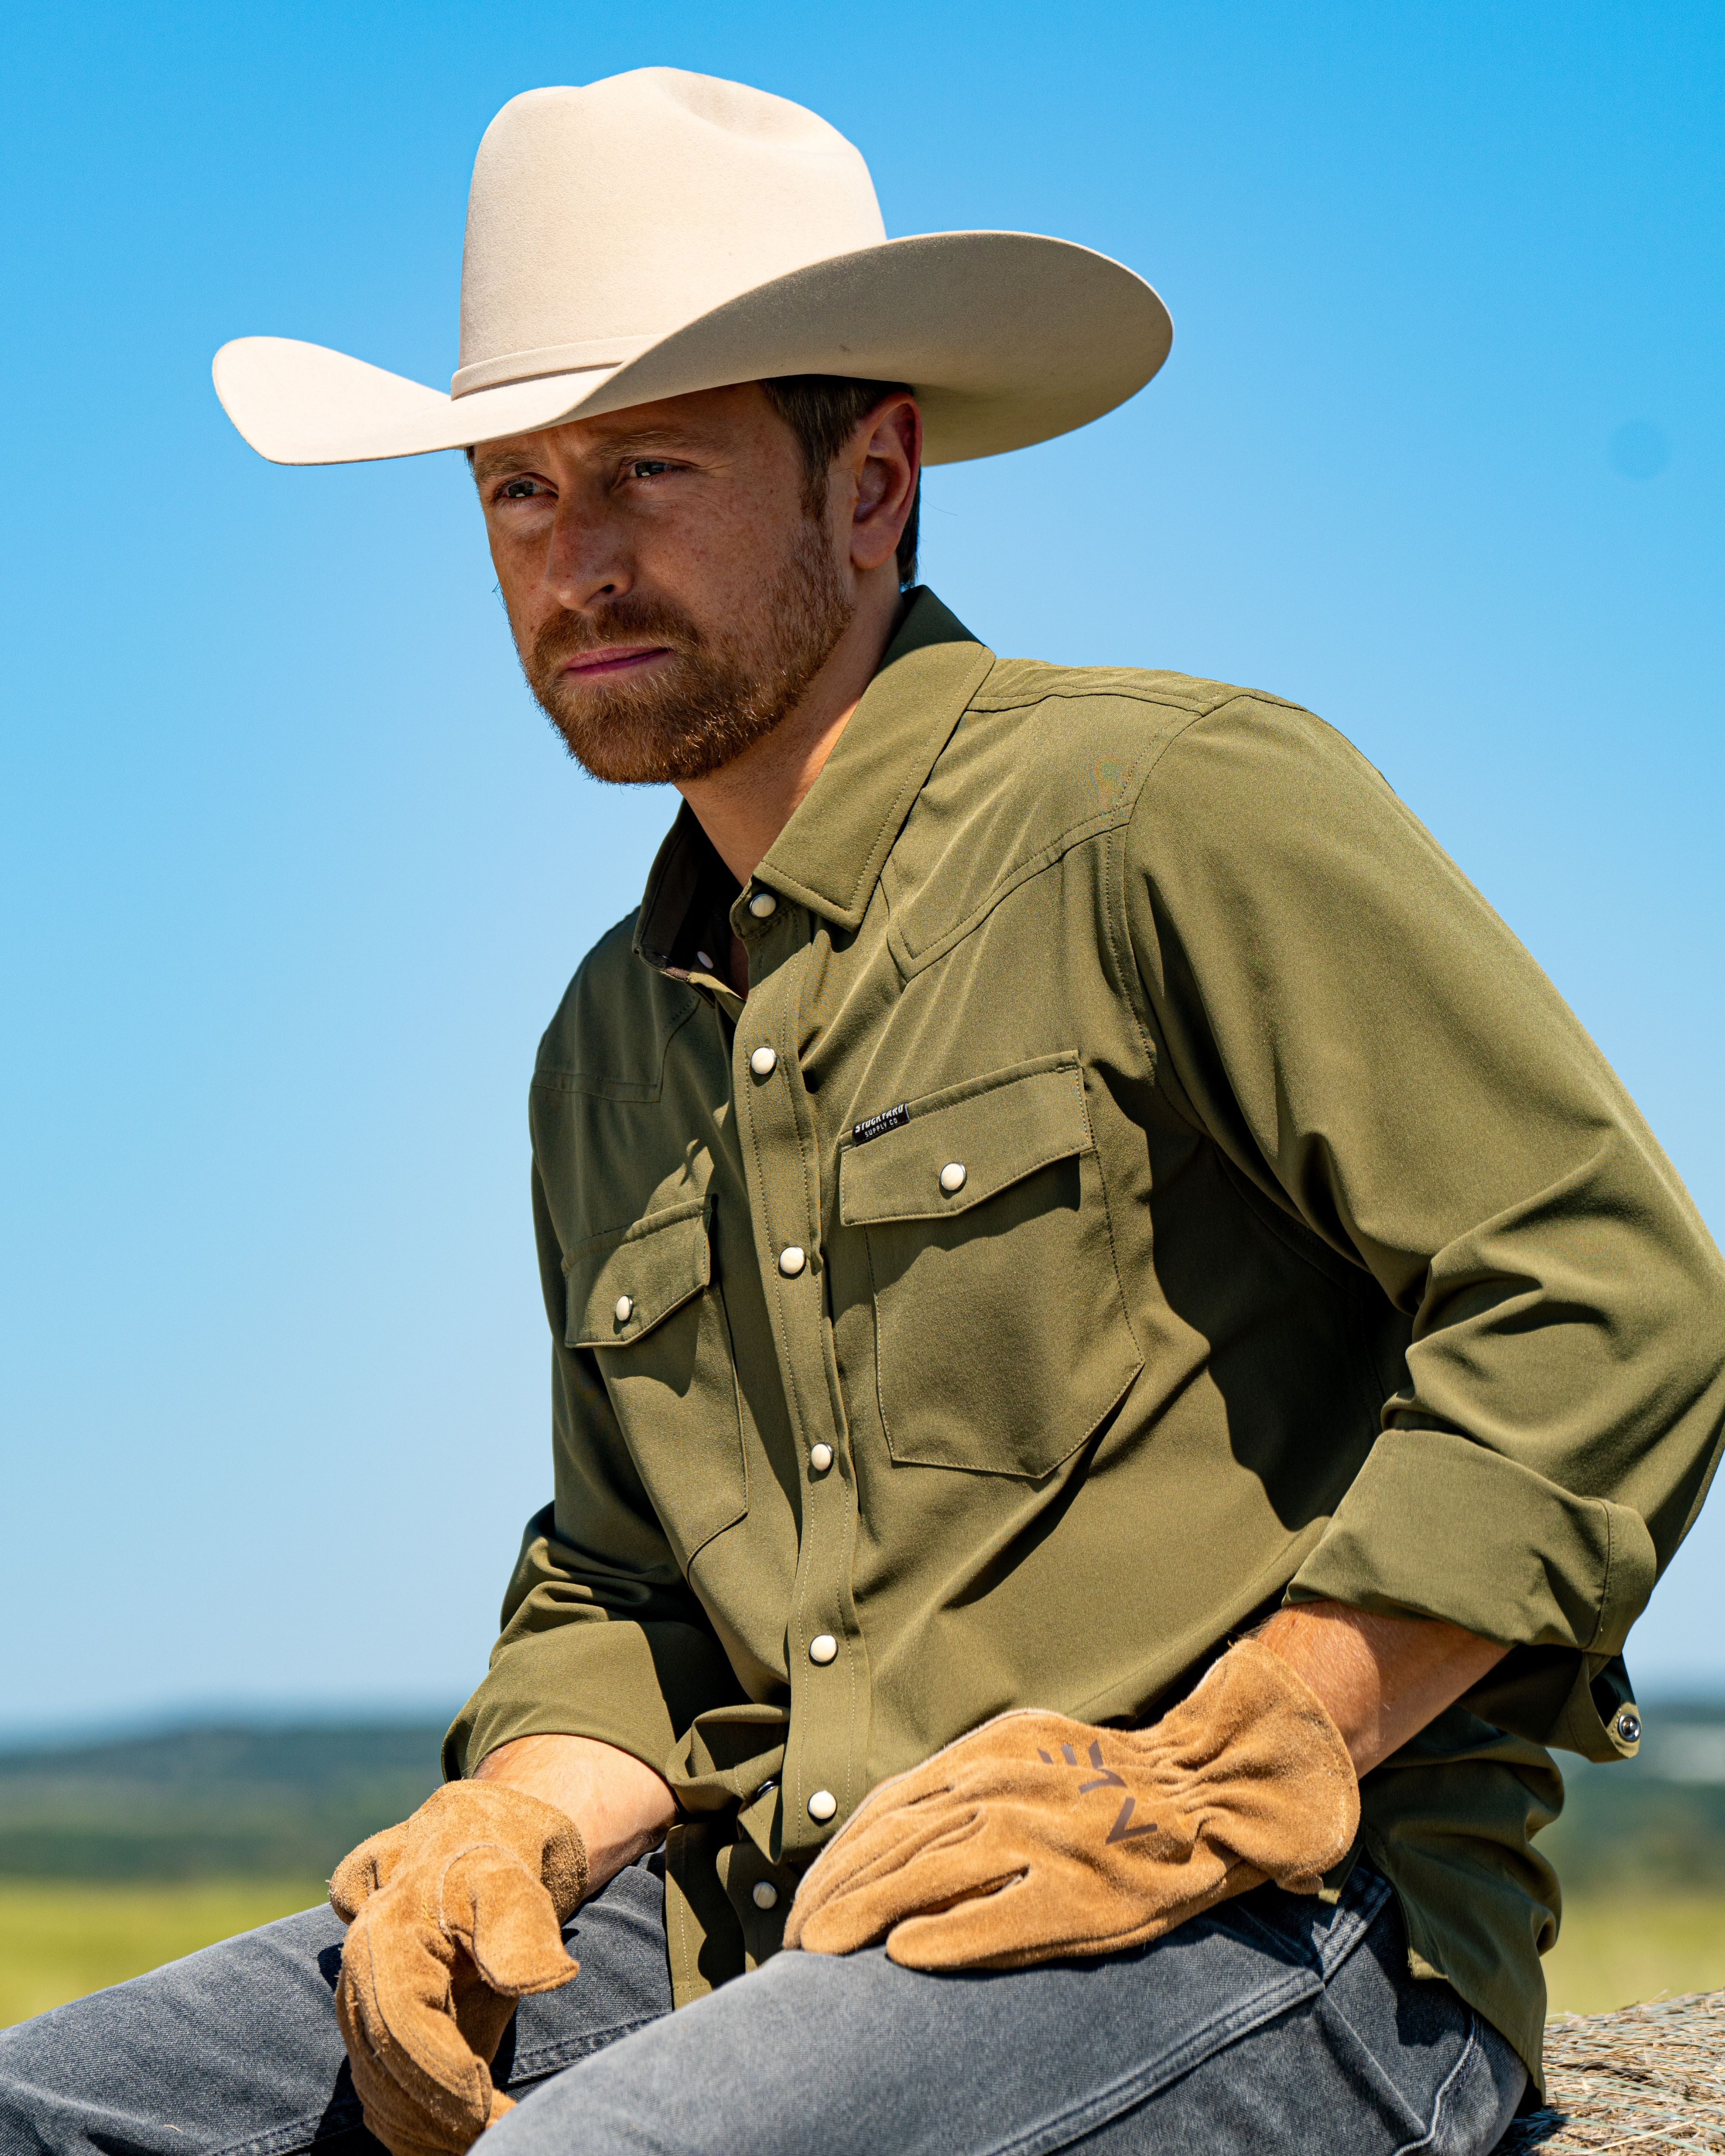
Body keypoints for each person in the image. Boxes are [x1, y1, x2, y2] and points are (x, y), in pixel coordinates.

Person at [3, 63, 1721, 2156]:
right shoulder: (605, 1045)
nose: (574, 560)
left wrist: (1245, 1746)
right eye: (515, 493)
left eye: (644, 467)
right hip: (768, 1924)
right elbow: (627, 1575)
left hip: (1278, 1936)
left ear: (875, 478)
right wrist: (512, 1820)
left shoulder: (1170, 806)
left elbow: (1605, 1289)